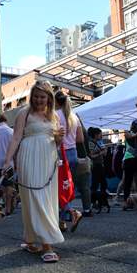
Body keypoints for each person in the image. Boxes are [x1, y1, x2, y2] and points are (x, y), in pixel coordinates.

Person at [3, 80, 65, 263]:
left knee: (47, 198)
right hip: (29, 156)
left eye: (42, 97)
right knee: (33, 198)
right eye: (36, 96)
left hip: (49, 158)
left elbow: (58, 143)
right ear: (32, 97)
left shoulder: (54, 116)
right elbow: (15, 138)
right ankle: (47, 244)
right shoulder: (24, 113)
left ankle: (31, 239)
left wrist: (59, 139)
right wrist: (7, 161)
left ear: (49, 98)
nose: (39, 100)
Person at [54, 90, 83, 231]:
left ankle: (72, 212)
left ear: (56, 102)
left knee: (58, 188)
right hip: (73, 153)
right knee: (67, 187)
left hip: (60, 154)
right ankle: (61, 221)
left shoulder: (55, 115)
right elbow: (80, 139)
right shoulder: (74, 116)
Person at [120, 96, 137, 210]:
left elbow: (130, 143)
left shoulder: (129, 135)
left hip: (130, 158)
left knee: (128, 181)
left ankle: (128, 202)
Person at [88, 127, 108, 194]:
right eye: (100, 134)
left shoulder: (100, 142)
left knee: (103, 183)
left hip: (101, 165)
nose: (101, 136)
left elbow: (105, 154)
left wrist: (104, 151)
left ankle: (102, 200)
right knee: (95, 184)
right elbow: (91, 155)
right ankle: (94, 201)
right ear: (95, 135)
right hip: (95, 165)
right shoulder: (91, 143)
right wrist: (100, 153)